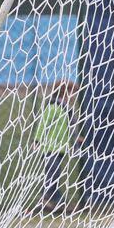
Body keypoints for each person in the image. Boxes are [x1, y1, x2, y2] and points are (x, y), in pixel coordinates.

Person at [33, 83, 72, 214]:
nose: (73, 96)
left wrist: (75, 138)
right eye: (71, 92)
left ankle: (53, 202)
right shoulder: (52, 107)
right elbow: (43, 124)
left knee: (55, 175)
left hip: (60, 149)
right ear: (63, 93)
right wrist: (37, 140)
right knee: (52, 174)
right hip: (50, 148)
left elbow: (65, 127)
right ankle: (49, 201)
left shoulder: (65, 109)